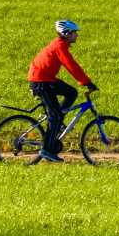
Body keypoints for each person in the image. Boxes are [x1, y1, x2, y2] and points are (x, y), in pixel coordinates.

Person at [27, 19, 95, 163]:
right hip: (41, 82)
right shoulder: (60, 47)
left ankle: (58, 122)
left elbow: (72, 66)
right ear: (66, 33)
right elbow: (72, 66)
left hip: (46, 79)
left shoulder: (61, 45)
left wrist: (84, 81)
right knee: (55, 116)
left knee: (71, 92)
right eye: (74, 32)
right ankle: (47, 149)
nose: (76, 35)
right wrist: (86, 82)